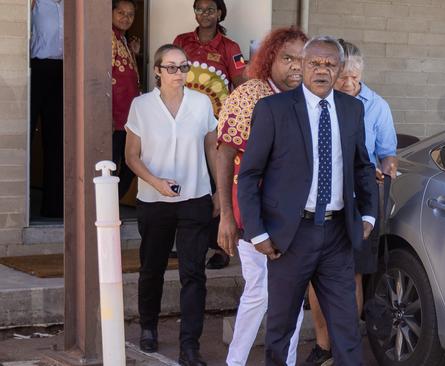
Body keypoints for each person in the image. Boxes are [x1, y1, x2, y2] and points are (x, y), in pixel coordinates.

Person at [237, 36, 378, 366]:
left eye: (330, 64)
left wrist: (369, 215)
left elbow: (362, 165)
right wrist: (257, 232)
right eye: (315, 63)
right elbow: (248, 175)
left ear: (340, 69)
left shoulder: (352, 109)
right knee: (281, 328)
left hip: (338, 235)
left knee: (346, 329)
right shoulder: (273, 109)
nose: (322, 70)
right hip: (290, 236)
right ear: (301, 65)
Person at [216, 27, 308, 366]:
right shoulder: (251, 94)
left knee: (292, 296)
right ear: (270, 59)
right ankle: (235, 361)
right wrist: (226, 214)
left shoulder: (307, 99)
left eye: (302, 59)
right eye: (287, 58)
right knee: (260, 291)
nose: (296, 67)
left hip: (295, 215)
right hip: (253, 213)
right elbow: (224, 153)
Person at [303, 40, 398, 366]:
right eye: (343, 76)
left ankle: (345, 346)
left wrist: (387, 167)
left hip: (358, 203)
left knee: (352, 275)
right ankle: (323, 343)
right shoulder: (314, 103)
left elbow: (387, 152)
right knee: (315, 274)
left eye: (356, 77)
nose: (349, 84)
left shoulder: (377, 106)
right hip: (319, 203)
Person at [124, 44, 220, 366]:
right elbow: (131, 156)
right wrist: (155, 182)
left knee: (194, 273)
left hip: (195, 198)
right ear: (157, 71)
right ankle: (148, 326)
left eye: (183, 67)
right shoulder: (141, 106)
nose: (178, 74)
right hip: (154, 201)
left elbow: (212, 147)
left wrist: (219, 189)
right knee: (152, 268)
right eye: (171, 67)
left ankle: (189, 346)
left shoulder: (202, 103)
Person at [173, 0, 246, 269]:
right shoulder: (182, 41)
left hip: (216, 130)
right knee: (186, 182)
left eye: (210, 10)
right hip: (182, 125)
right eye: (200, 9)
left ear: (219, 14)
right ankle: (187, 243)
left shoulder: (230, 48)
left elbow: (241, 86)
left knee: (219, 187)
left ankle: (221, 247)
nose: (205, 14)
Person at [30, 0, 63, 218]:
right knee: (28, 135)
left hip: (64, 71)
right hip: (37, 68)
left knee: (57, 138)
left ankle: (54, 207)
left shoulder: (73, 6)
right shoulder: (37, 4)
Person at [112, 0, 140, 199]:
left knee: (131, 164)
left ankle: (112, 205)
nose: (126, 18)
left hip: (128, 119)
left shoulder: (122, 39)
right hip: (113, 118)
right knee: (111, 167)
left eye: (130, 14)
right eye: (121, 12)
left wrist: (134, 53)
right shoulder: (107, 37)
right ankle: (106, 210)